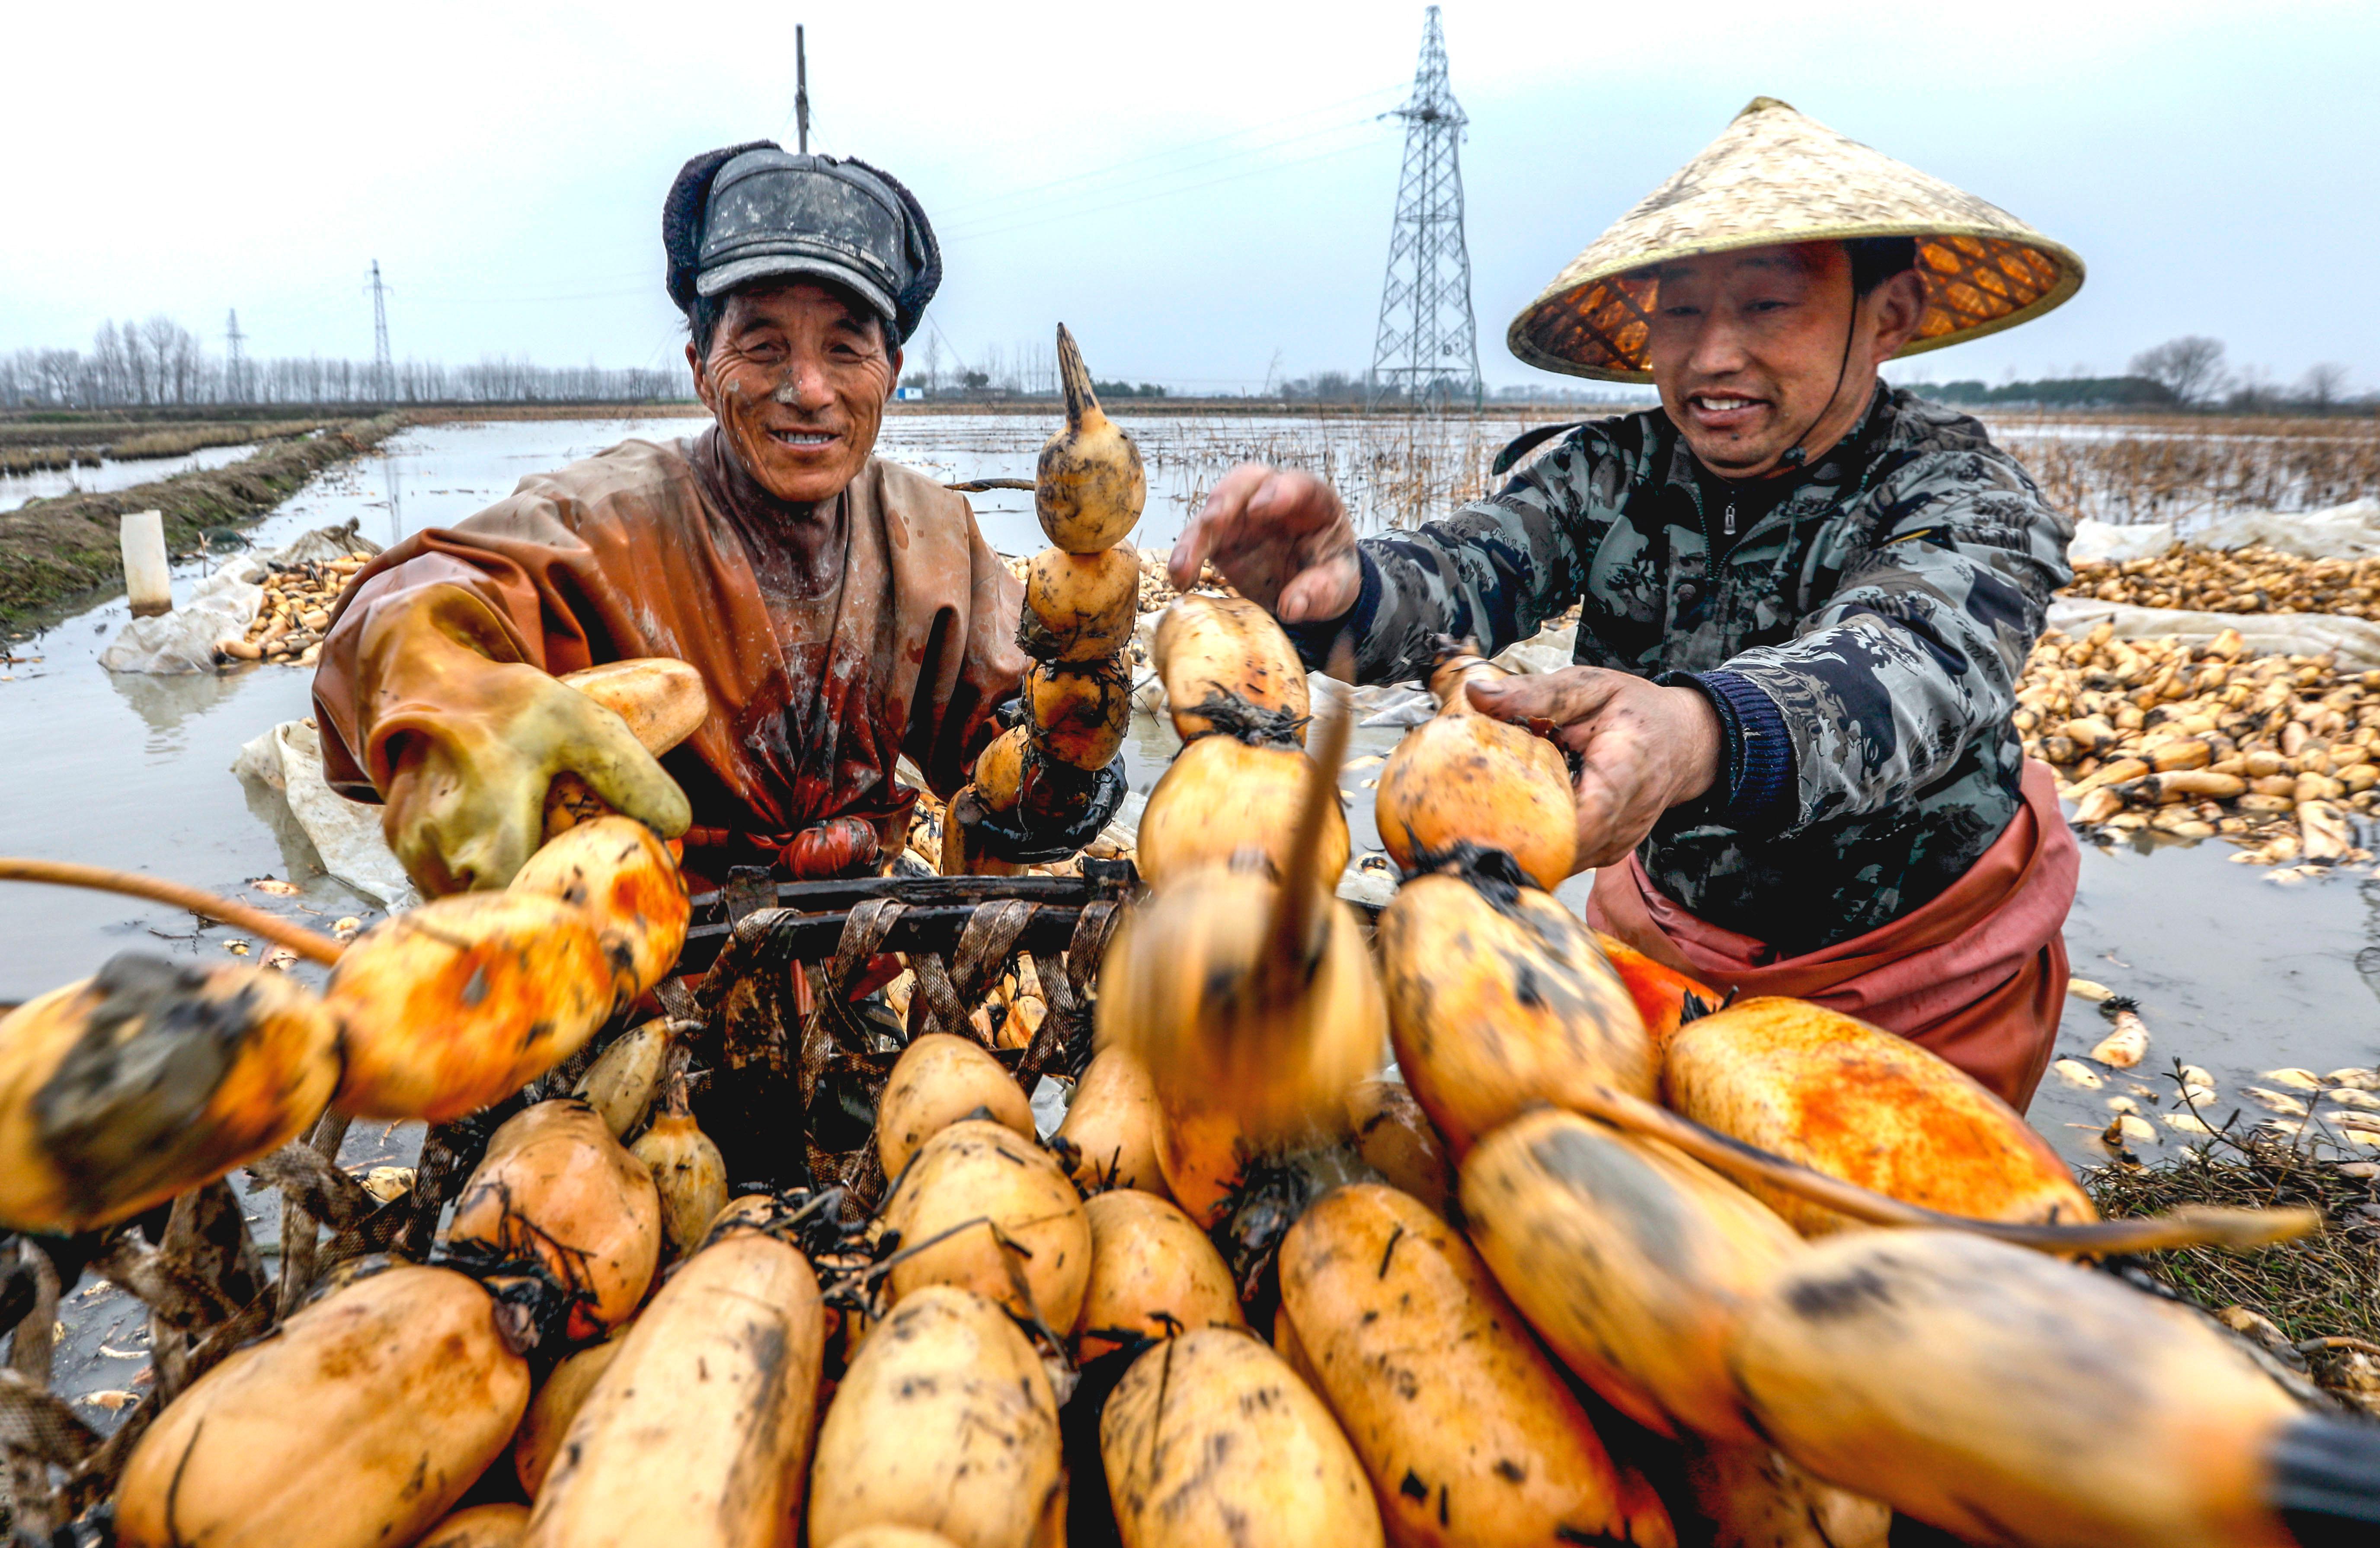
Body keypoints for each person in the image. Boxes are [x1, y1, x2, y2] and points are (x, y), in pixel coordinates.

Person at [1171, 98, 2087, 1109]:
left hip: (1912, 971)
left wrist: (1695, 731)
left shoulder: (1962, 497)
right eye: (1681, 311)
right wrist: (1343, 591)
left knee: (1887, 1248)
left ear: (1891, 315)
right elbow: (1468, 572)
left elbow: (1910, 662)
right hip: (1667, 928)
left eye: (1769, 306)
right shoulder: (1611, 471)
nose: (1709, 357)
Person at [313, 144, 1024, 897]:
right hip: (640, 961)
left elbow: (1012, 724)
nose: (809, 388)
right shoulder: (602, 523)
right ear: (699, 365)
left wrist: (1066, 769)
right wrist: (451, 698)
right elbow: (396, 615)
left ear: (892, 372)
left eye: (846, 347)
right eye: (763, 345)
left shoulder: (933, 535)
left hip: (857, 961)